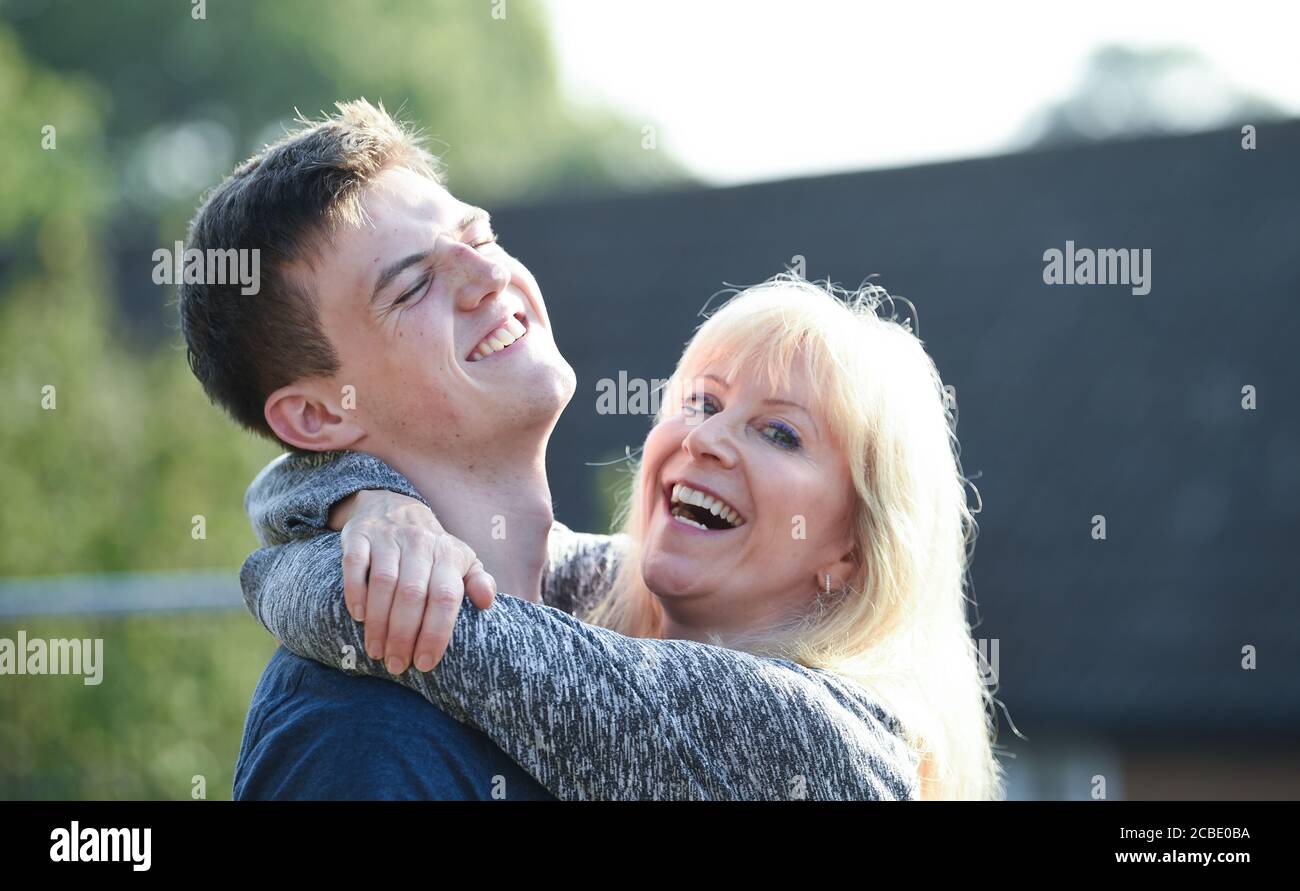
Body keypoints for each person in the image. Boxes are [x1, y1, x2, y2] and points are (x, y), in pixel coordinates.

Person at [241, 276, 1003, 800]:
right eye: (701, 400)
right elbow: (288, 489)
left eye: (778, 432)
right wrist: (372, 506)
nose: (707, 439)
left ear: (853, 552)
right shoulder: (600, 592)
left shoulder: (820, 745)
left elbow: (390, 615)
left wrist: (368, 536)